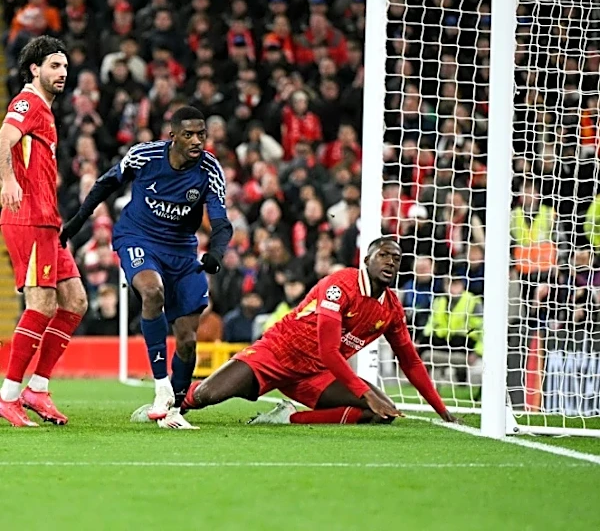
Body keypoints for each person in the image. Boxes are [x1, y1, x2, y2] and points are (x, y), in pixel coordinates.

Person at [61, 106, 233, 429]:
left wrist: (217, 253)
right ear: (173, 136)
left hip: (182, 251)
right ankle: (161, 385)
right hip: (138, 236)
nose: (197, 141)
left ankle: (174, 410)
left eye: (201, 134)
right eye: (189, 135)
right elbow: (106, 183)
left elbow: (222, 222)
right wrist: (76, 222)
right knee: (152, 292)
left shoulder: (210, 169)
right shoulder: (145, 156)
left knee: (187, 339)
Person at [180, 238, 460, 426]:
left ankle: (288, 418)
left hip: (315, 374)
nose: (390, 262)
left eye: (396, 259)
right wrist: (366, 392)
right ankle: (173, 399)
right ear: (367, 260)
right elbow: (329, 350)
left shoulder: (391, 310)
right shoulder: (340, 285)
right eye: (383, 255)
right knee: (206, 396)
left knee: (382, 413)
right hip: (276, 354)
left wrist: (442, 410)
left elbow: (411, 362)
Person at [0, 35, 88, 428]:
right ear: (34, 69)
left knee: (75, 300)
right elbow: (4, 137)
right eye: (54, 65)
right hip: (28, 218)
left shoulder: (46, 111)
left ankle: (37, 388)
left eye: (65, 66)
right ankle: (8, 396)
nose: (62, 72)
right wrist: (7, 180)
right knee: (41, 304)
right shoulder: (28, 102)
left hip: (49, 221)